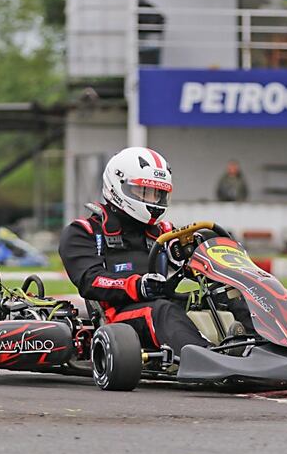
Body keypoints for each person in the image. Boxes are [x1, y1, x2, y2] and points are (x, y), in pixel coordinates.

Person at [59, 147, 251, 356]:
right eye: (144, 192)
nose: (152, 201)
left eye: (158, 194)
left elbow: (192, 263)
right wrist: (137, 286)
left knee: (231, 296)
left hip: (167, 304)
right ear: (117, 186)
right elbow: (90, 280)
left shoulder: (164, 233)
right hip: (118, 316)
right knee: (161, 310)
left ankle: (265, 348)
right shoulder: (85, 231)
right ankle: (207, 357)